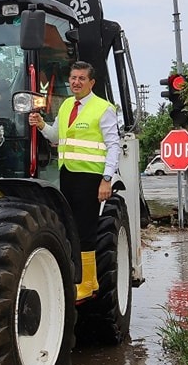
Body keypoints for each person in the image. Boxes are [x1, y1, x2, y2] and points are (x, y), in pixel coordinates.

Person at [28, 61, 121, 302]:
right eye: (73, 78)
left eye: (81, 78)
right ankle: (83, 279)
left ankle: (88, 283)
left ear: (92, 82)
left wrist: (106, 179)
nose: (76, 82)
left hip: (91, 177)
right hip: (68, 174)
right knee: (72, 228)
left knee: (86, 228)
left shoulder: (104, 108)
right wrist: (41, 126)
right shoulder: (67, 105)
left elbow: (113, 146)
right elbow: (57, 136)